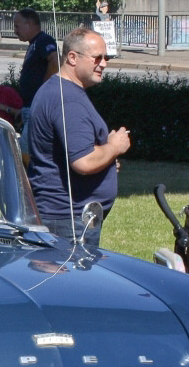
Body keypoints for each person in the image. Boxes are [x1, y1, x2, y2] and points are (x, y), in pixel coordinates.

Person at [26, 27, 130, 246]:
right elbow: (83, 161)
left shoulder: (55, 90)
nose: (103, 64)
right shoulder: (68, 100)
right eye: (97, 58)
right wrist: (114, 147)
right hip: (67, 221)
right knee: (72, 280)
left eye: (106, 57)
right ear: (72, 58)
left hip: (62, 217)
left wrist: (107, 160)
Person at [13, 8, 58, 146]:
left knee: (24, 149)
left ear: (29, 24)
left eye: (17, 26)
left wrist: (45, 89)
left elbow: (56, 61)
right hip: (30, 107)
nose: (15, 31)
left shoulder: (43, 40)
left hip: (37, 108)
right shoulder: (34, 43)